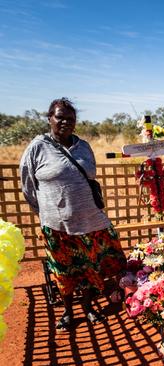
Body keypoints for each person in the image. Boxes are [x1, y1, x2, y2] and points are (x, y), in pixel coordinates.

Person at [20, 98, 127, 332]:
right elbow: (28, 187)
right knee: (63, 271)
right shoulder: (37, 147)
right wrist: (48, 211)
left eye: (70, 118)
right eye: (60, 117)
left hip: (89, 220)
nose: (65, 122)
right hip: (56, 225)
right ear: (50, 118)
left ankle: (88, 308)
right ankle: (68, 312)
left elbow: (89, 176)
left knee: (89, 267)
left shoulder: (84, 146)